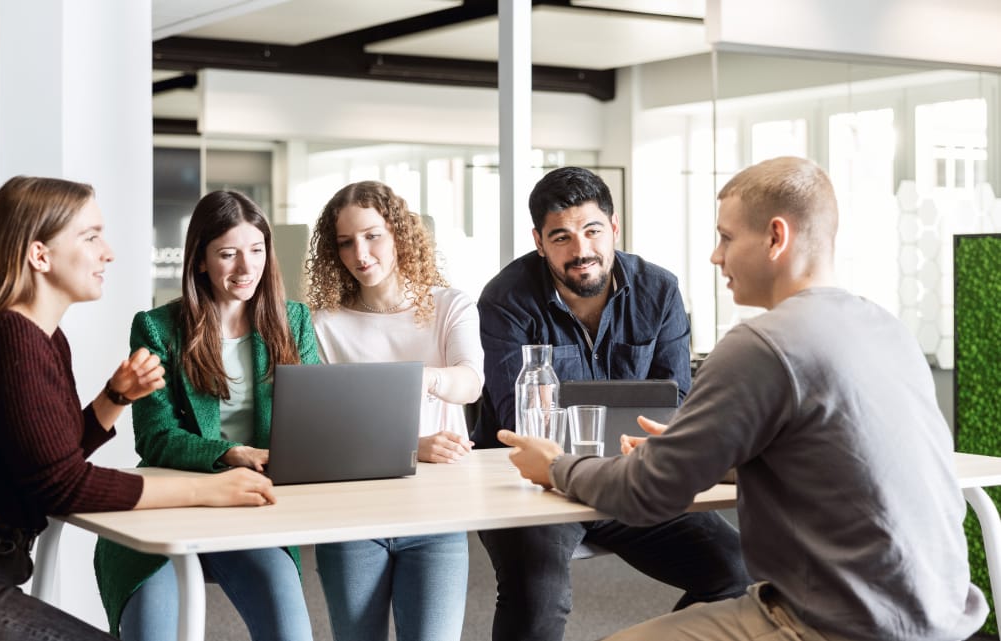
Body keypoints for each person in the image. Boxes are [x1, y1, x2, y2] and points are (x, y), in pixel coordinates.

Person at [502, 156, 988, 641]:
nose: (716, 256)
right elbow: (821, 451)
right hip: (942, 620)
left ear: (776, 237)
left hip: (835, 625)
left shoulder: (761, 344)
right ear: (540, 243)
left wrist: (557, 465)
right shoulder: (886, 328)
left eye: (727, 239)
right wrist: (704, 450)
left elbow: (646, 493)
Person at [0, 177, 278, 641]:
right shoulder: (12, 335)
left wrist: (113, 399)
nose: (109, 252)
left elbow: (50, 460)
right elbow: (61, 485)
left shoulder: (42, 336)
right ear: (40, 256)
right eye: (91, 236)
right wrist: (207, 491)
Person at [474, 166, 751, 641]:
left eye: (592, 230)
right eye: (561, 237)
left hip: (629, 474)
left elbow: (676, 401)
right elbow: (518, 416)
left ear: (614, 228)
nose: (581, 250)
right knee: (538, 598)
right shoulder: (506, 299)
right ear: (539, 242)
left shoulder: (658, 290)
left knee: (738, 571)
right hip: (534, 486)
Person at [93, 190, 318, 641]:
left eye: (256, 251)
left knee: (291, 630)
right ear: (199, 261)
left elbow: (315, 418)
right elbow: (155, 437)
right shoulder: (157, 327)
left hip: (250, 508)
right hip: (170, 503)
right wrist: (231, 452)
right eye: (228, 254)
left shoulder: (292, 320)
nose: (245, 267)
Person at [304, 180, 483, 641]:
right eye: (345, 242)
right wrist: (412, 447)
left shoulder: (450, 306)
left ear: (399, 234)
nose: (360, 254)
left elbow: (470, 382)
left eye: (372, 235)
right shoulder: (324, 324)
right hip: (352, 517)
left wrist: (424, 378)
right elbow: (323, 432)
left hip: (437, 515)